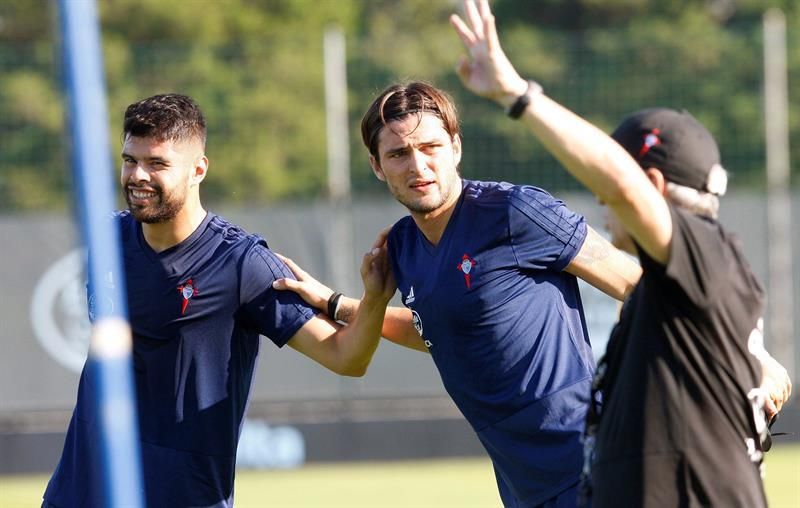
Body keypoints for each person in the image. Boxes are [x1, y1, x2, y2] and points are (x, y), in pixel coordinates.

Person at [446, 0, 792, 506]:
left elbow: (625, 187)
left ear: (652, 185)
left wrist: (516, 94)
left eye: (606, 187)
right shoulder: (681, 286)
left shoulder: (706, 249)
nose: (602, 202)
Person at [276, 49, 645, 508]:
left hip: (592, 464)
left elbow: (639, 285)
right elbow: (441, 331)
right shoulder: (402, 248)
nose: (418, 166)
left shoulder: (515, 212)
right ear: (377, 166)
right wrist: (340, 303)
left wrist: (639, 384)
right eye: (398, 154)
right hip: (520, 482)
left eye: (430, 147)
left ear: (455, 147)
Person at [42, 93, 395, 508]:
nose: (138, 176)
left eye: (157, 164)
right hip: (79, 494)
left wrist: (374, 298)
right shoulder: (106, 239)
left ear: (198, 170)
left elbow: (347, 358)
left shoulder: (243, 264)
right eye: (129, 160)